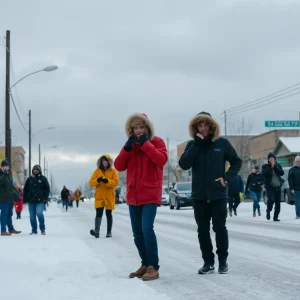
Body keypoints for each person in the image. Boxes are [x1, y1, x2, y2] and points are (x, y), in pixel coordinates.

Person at [179, 112, 242, 275]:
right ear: (196, 128)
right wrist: (196, 145)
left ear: (211, 126)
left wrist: (227, 177)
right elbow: (184, 164)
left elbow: (236, 161)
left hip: (218, 194)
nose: (203, 128)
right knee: (202, 230)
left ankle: (223, 261)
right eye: (200, 125)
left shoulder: (222, 143)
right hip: (199, 196)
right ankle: (208, 262)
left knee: (220, 228)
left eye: (206, 125)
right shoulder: (192, 145)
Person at [115, 113, 168, 281]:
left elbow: (161, 160)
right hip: (133, 196)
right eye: (135, 128)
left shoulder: (156, 142)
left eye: (141, 127)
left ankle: (153, 267)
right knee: (137, 233)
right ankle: (145, 264)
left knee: (147, 229)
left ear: (147, 128)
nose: (138, 131)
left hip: (150, 194)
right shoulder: (130, 145)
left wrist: (146, 144)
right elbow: (118, 165)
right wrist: (127, 149)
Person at [89, 154, 119, 238]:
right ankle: (96, 231)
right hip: (99, 196)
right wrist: (97, 180)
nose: (104, 162)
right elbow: (91, 182)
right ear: (101, 162)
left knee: (108, 213)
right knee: (99, 213)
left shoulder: (113, 171)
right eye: (103, 161)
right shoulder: (97, 171)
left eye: (106, 160)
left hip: (109, 196)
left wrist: (107, 181)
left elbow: (116, 182)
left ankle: (109, 232)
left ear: (109, 161)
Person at [23, 165, 50, 235]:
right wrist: (25, 198)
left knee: (39, 213)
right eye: (34, 170)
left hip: (40, 201)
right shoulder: (29, 179)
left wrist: (45, 198)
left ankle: (42, 229)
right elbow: (25, 189)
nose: (35, 172)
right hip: (31, 201)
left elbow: (47, 189)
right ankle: (34, 230)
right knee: (32, 216)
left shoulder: (43, 179)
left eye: (37, 170)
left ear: (39, 171)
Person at [0, 160, 22, 236]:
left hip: (9, 198)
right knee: (4, 214)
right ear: (1, 167)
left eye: (6, 166)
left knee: (9, 214)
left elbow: (10, 185)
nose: (5, 168)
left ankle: (11, 229)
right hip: (3, 198)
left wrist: (17, 192)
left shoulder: (9, 174)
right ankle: (3, 230)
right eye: (4, 166)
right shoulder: (2, 175)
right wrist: (4, 175)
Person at [262, 153, 284, 221]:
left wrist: (274, 166)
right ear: (268, 159)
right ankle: (268, 210)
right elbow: (265, 174)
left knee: (278, 203)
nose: (271, 160)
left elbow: (281, 173)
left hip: (278, 186)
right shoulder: (265, 166)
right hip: (270, 187)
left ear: (275, 159)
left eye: (273, 159)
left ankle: (275, 217)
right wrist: (271, 167)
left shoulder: (278, 165)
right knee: (271, 200)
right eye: (270, 159)